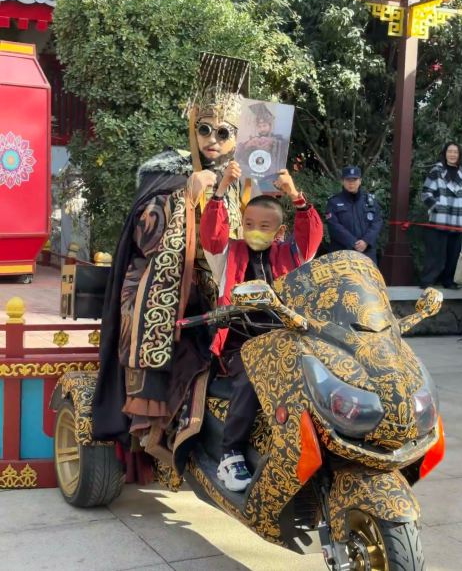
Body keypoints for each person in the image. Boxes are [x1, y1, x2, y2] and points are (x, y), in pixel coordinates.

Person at [92, 53, 251, 457]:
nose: (213, 139)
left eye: (224, 132)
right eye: (205, 129)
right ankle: (154, 423)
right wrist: (186, 194)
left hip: (215, 283)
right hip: (159, 278)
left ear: (236, 138)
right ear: (192, 128)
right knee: (154, 310)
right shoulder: (166, 169)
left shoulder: (241, 179)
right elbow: (145, 236)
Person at [200, 165, 323, 491]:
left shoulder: (292, 256)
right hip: (240, 345)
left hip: (286, 341)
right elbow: (211, 235)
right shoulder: (228, 254)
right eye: (249, 224)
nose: (255, 230)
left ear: (279, 230)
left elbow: (311, 236)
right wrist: (222, 187)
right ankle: (231, 454)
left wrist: (294, 193)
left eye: (264, 226)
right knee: (254, 376)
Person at [420, 142, 462, 289]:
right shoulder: (436, 171)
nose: (452, 154)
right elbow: (425, 193)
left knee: (453, 254)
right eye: (449, 151)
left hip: (458, 220)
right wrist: (436, 206)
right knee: (435, 254)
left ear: (459, 155)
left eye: (455, 152)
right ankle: (427, 281)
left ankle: (448, 281)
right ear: (445, 154)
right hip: (439, 219)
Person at [325, 166, 382, 265]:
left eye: (354, 179)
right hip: (342, 254)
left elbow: (377, 222)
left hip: (367, 254)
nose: (351, 183)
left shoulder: (370, 201)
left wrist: (365, 241)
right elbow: (334, 226)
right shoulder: (334, 202)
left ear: (360, 181)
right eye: (348, 180)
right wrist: (353, 243)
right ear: (342, 181)